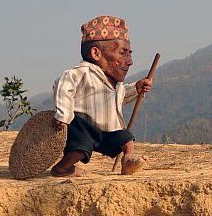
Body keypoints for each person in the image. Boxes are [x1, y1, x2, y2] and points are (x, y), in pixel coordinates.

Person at [49, 15, 153, 177]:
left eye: (129, 54)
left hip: (107, 129)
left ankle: (127, 161)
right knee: (80, 148)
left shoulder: (114, 83)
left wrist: (136, 88)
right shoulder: (82, 73)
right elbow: (63, 86)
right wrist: (63, 114)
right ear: (96, 53)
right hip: (84, 127)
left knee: (125, 138)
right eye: (122, 53)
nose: (130, 61)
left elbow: (120, 97)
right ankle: (62, 168)